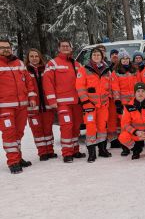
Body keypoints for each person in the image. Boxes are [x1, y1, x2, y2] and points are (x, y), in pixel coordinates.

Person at [43, 39, 86, 163]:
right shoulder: (53, 63)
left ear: (71, 48)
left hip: (77, 103)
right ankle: (67, 153)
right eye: (63, 46)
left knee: (76, 127)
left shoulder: (77, 64)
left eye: (68, 46)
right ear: (59, 48)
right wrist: (52, 100)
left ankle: (75, 150)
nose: (66, 48)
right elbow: (47, 83)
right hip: (63, 103)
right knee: (67, 127)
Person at [0, 39, 36, 174]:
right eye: (2, 48)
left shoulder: (19, 63)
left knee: (18, 133)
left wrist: (31, 97)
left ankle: (18, 157)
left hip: (22, 106)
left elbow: (29, 82)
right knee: (9, 134)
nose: (5, 50)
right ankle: (13, 161)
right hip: (5, 107)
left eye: (7, 47)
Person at [76, 48, 112, 162]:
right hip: (90, 105)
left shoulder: (106, 70)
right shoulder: (84, 69)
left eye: (98, 55)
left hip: (103, 105)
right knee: (91, 128)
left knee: (102, 127)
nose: (96, 56)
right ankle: (92, 152)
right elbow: (80, 86)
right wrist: (85, 101)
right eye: (94, 54)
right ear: (91, 57)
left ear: (102, 57)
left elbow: (110, 86)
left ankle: (102, 150)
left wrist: (109, 97)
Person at [25, 48, 57, 161]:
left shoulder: (46, 70)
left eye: (36, 56)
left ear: (40, 57)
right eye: (31, 56)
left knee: (48, 129)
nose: (34, 58)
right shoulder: (25, 71)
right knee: (37, 130)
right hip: (33, 107)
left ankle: (50, 151)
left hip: (47, 106)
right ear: (28, 58)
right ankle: (42, 152)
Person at [111, 50, 141, 156]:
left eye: (127, 58)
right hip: (123, 103)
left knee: (135, 123)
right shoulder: (116, 72)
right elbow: (115, 88)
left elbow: (139, 85)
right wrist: (117, 101)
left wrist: (139, 99)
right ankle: (125, 147)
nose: (125, 60)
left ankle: (137, 145)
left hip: (134, 102)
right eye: (123, 59)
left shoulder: (134, 71)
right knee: (124, 125)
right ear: (119, 60)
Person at [108, 49, 120, 148]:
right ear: (110, 56)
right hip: (110, 97)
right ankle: (113, 140)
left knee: (120, 118)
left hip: (120, 97)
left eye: (116, 54)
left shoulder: (122, 67)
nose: (115, 55)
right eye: (113, 54)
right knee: (112, 119)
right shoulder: (107, 68)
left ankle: (121, 137)